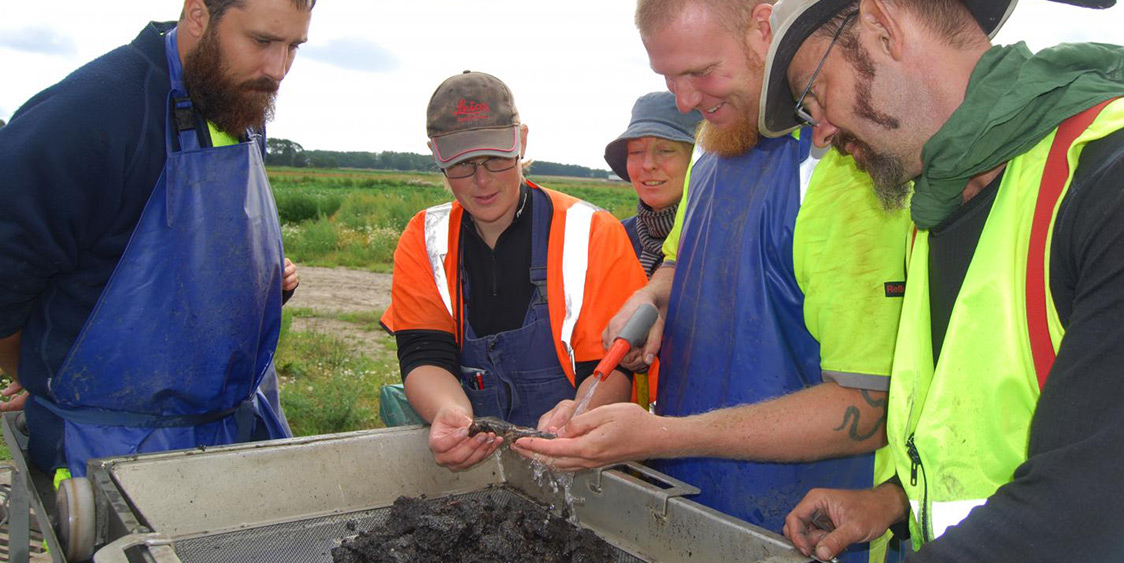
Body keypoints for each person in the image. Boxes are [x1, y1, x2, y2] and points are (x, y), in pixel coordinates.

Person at [516, 0, 910, 563]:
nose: (683, 100)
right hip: (687, 511)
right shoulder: (712, 148)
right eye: (669, 78)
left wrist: (655, 435)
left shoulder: (842, 166)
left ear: (761, 25)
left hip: (803, 541)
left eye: (700, 72)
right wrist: (648, 299)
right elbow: (678, 265)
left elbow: (866, 410)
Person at [759, 0, 1124, 563]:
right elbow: (988, 431)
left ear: (882, 27)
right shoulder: (936, 210)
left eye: (815, 94)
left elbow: (1086, 511)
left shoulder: (1114, 178)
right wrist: (894, 502)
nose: (822, 134)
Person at [0, 0, 314, 478]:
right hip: (113, 452)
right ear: (197, 15)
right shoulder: (89, 115)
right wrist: (48, 375)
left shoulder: (237, 102)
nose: (278, 69)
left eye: (294, 46)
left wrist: (265, 280)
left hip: (237, 432)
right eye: (262, 41)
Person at [379, 71, 647, 471]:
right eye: (463, 165)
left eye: (496, 159)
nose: (482, 180)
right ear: (437, 155)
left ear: (521, 141)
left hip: (584, 455)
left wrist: (578, 412)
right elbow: (423, 354)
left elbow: (615, 369)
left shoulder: (591, 232)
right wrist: (449, 412)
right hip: (483, 464)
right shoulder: (426, 238)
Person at [605, 91, 702, 277]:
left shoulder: (718, 242)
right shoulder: (613, 238)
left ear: (695, 161)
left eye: (665, 150)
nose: (648, 165)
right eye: (636, 151)